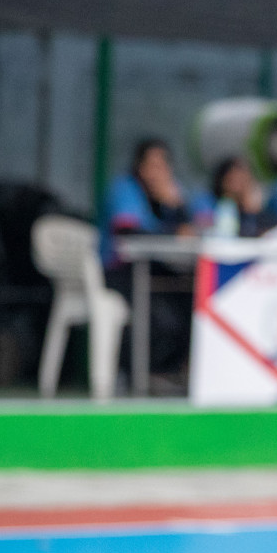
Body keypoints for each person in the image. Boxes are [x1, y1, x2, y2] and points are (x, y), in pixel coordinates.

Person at [100, 138, 196, 377]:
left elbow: (187, 233)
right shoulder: (125, 188)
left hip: (155, 268)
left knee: (192, 301)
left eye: (161, 166)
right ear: (138, 166)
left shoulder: (171, 193)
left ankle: (172, 373)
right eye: (150, 165)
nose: (156, 172)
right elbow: (128, 232)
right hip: (118, 270)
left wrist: (176, 205)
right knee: (161, 317)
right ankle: (137, 374)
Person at [195, 157, 277, 238]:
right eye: (233, 179)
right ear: (224, 181)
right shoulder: (211, 203)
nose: (241, 183)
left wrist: (251, 211)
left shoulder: (257, 209)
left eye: (244, 179)